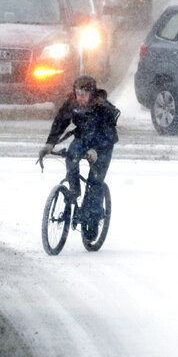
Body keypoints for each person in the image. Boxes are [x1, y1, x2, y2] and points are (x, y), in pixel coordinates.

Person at [37, 75, 119, 237]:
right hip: (83, 138)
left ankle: (93, 218)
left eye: (83, 95)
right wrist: (50, 143)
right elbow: (60, 122)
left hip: (103, 145)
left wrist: (95, 149)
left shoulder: (103, 108)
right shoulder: (72, 104)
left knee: (95, 181)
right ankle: (74, 191)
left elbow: (108, 133)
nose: (80, 98)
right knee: (71, 157)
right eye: (78, 94)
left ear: (91, 94)